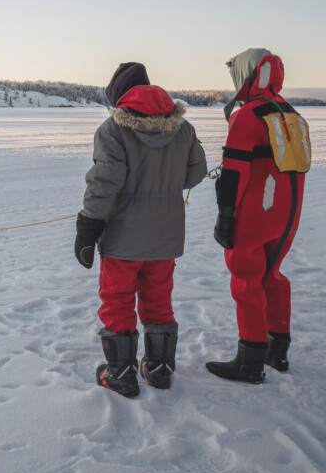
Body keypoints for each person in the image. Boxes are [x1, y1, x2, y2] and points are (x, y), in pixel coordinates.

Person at [75, 62, 207, 397]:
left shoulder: (113, 129)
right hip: (166, 236)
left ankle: (120, 373)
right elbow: (194, 174)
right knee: (158, 299)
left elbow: (105, 182)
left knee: (117, 300)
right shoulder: (183, 128)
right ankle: (159, 369)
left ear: (119, 97)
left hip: (123, 238)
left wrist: (89, 225)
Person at [206, 48, 309, 384]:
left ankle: (249, 361)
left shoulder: (247, 115)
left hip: (255, 214)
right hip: (288, 214)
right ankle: (276, 352)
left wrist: (225, 214)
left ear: (247, 76)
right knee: (272, 275)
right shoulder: (291, 114)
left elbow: (234, 173)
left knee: (247, 280)